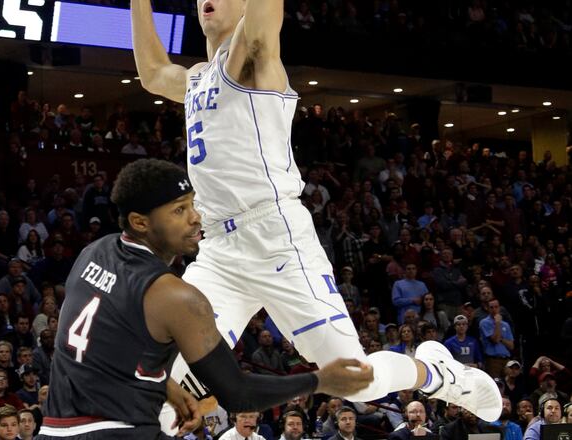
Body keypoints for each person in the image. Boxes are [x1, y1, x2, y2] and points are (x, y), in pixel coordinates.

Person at [131, 0, 500, 428]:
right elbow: (154, 73)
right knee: (157, 388)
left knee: (354, 382)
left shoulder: (252, 55)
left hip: (274, 236)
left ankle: (438, 373)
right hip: (217, 251)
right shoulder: (197, 77)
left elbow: (265, 17)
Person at [41, 160, 374, 439]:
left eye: (193, 204)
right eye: (179, 210)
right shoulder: (175, 296)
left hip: (54, 428)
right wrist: (320, 380)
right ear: (140, 222)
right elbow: (237, 393)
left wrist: (165, 385)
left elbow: (90, 346)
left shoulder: (92, 253)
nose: (196, 217)